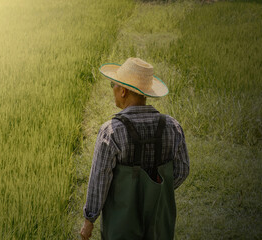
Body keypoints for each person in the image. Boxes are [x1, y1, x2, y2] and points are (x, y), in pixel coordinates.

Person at [79, 58, 189, 240]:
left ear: (123, 91)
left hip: (121, 225)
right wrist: (155, 194)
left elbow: (100, 180)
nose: (112, 89)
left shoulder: (112, 131)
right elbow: (183, 170)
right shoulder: (172, 126)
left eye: (113, 84)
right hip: (159, 223)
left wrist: (89, 221)